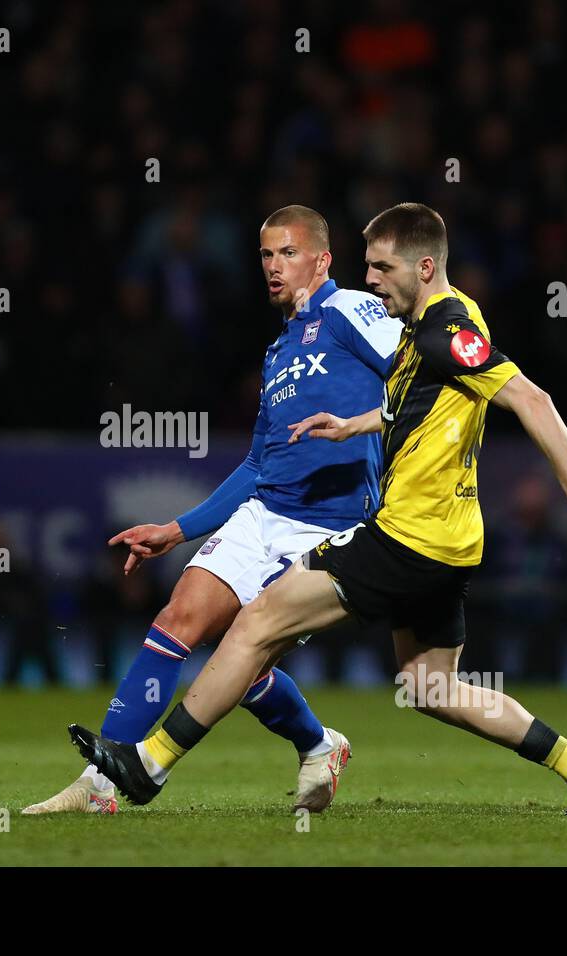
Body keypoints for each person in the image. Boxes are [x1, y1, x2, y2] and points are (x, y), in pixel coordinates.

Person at [72, 202, 567, 816]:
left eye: (381, 268)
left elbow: (532, 398)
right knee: (429, 688)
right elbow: (420, 401)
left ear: (422, 268)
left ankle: (148, 764)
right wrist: (352, 425)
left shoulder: (438, 331)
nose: (372, 280)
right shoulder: (446, 320)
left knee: (255, 623)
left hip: (405, 538)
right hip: (452, 545)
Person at [22, 205, 402, 814]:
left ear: (322, 260)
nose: (274, 267)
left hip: (335, 526)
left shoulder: (351, 310)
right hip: (266, 514)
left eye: (288, 253)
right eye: (265, 255)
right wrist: (176, 530)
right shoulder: (278, 353)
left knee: (240, 656)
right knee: (179, 618)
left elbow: (416, 371)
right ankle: (104, 784)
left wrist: (380, 429)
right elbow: (256, 465)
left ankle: (315, 743)